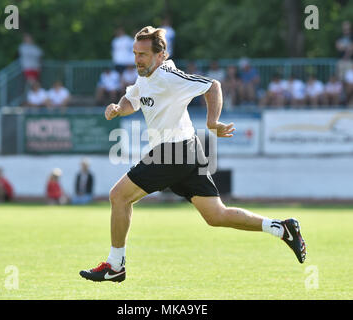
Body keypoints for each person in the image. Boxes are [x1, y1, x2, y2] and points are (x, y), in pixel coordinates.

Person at [79, 26, 306, 283]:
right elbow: (133, 99)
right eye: (135, 53)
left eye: (142, 54)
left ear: (161, 55)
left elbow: (213, 86)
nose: (137, 59)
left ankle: (115, 265)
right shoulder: (145, 78)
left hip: (173, 151)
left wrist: (212, 122)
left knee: (118, 196)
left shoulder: (169, 76)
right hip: (185, 152)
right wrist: (118, 109)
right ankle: (281, 228)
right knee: (216, 215)